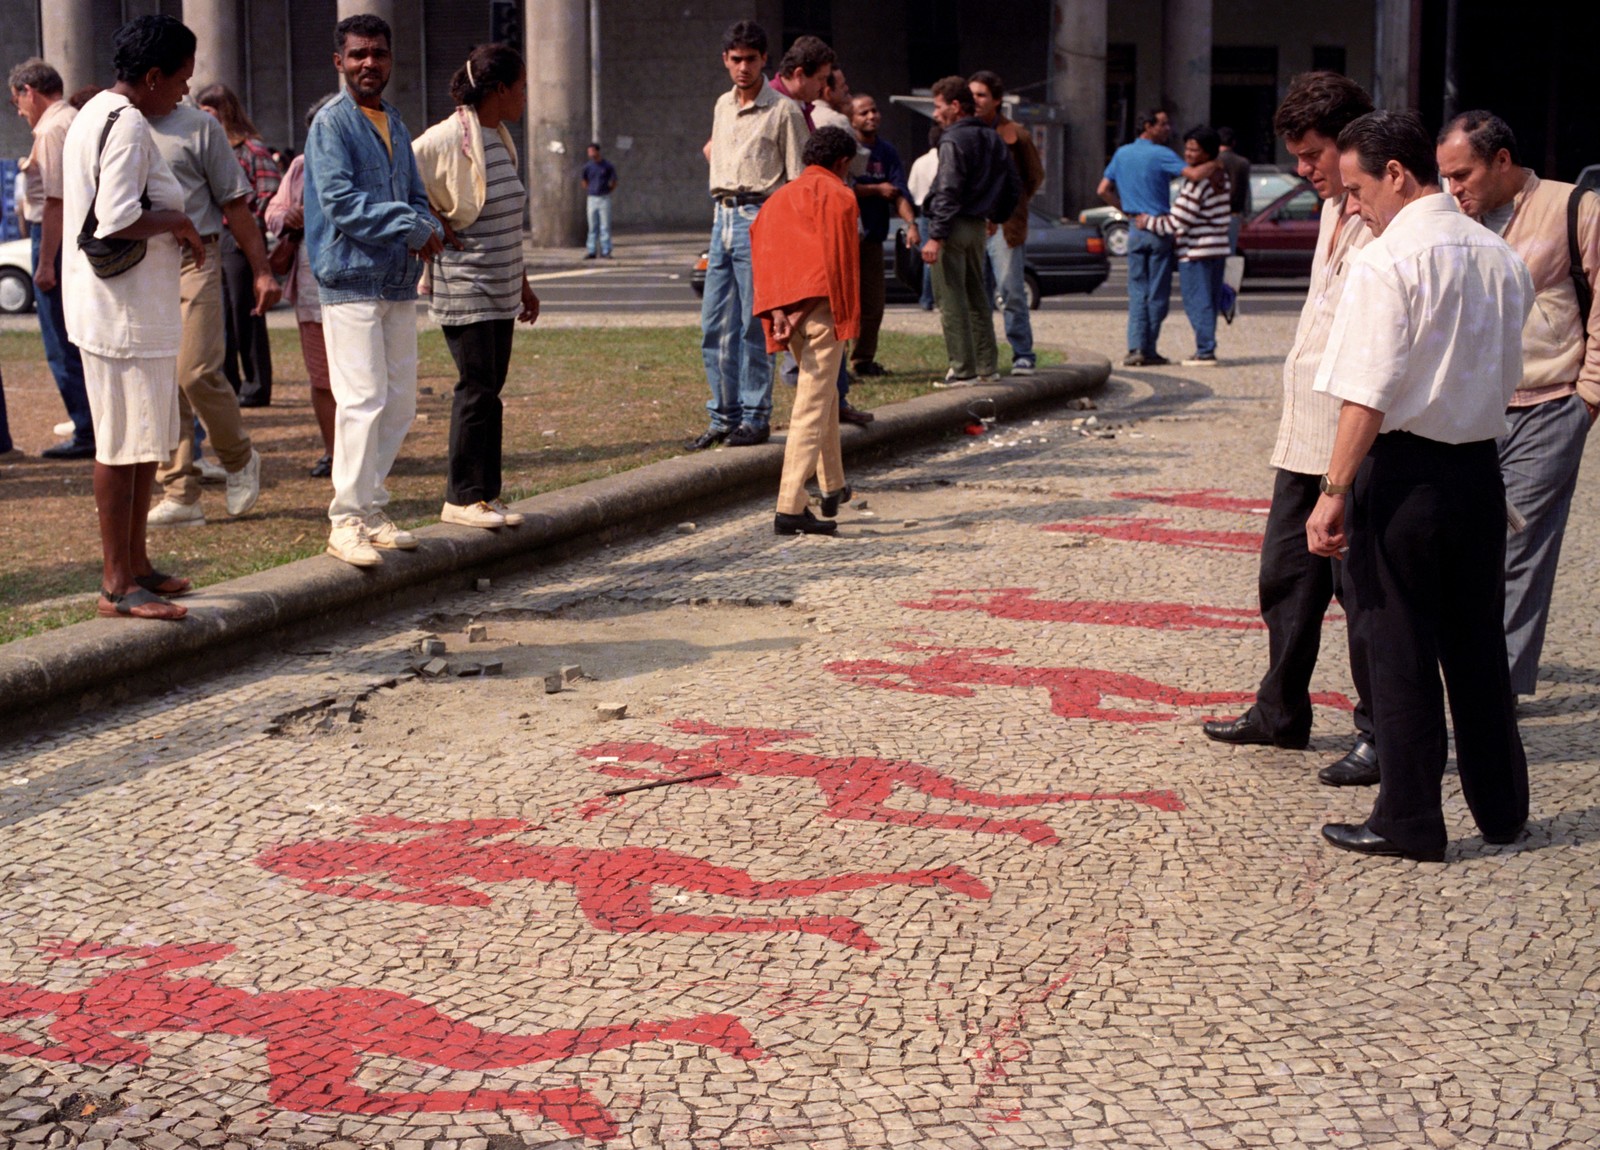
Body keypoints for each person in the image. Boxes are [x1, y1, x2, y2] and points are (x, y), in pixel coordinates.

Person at [1307, 109, 1533, 862]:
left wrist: (1333, 488)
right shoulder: (1499, 255)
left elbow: (1365, 394)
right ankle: (1501, 810)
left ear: (1397, 174)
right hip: (1477, 469)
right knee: (1476, 648)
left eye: (1357, 190)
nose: (1352, 208)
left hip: (1405, 473)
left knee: (1396, 643)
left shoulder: (1388, 260)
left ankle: (1407, 820)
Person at [1202, 73, 1380, 789]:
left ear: (1351, 142)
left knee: (1363, 592)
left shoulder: (1382, 214)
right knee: (1286, 578)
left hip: (1353, 435)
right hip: (1304, 431)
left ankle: (1379, 732)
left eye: (1312, 155)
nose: (1302, 171)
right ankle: (1280, 710)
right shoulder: (1337, 207)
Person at [1436, 111, 1600, 699]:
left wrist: (1588, 397)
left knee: (1519, 545)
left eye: (1463, 174)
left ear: (1502, 161)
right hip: (1469, 409)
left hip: (1550, 404)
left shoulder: (1572, 206)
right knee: (1460, 541)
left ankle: (1494, 694)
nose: (1454, 187)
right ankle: (1469, 666)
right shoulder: (1453, 218)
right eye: (1446, 176)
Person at [61, 14, 207, 619]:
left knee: (143, 440)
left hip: (126, 311)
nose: (184, 92)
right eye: (180, 80)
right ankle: (117, 584)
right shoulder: (125, 126)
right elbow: (117, 217)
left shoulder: (95, 114)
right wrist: (177, 222)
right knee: (122, 445)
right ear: (151, 76)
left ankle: (138, 564)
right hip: (121, 315)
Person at [304, 12, 444, 567]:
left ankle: (370, 505)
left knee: (400, 403)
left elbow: (412, 191)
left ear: (390, 60)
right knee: (361, 401)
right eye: (358, 54)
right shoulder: (331, 124)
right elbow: (339, 202)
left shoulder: (395, 120)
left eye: (378, 54)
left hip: (395, 278)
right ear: (339, 61)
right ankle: (345, 520)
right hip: (350, 279)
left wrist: (425, 221)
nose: (369, 63)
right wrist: (412, 227)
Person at [414, 43, 541, 531]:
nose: (526, 97)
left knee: (492, 390)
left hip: (502, 286)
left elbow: (507, 222)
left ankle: (486, 495)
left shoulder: (498, 137)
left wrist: (524, 285)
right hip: (465, 287)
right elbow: (405, 181)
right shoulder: (446, 137)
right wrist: (430, 224)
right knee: (476, 388)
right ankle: (461, 496)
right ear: (500, 89)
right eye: (522, 87)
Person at [142, 84, 277, 527]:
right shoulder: (121, 122)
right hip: (139, 261)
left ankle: (239, 459)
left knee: (195, 370)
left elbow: (235, 204)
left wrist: (261, 270)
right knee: (163, 377)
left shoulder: (200, 126)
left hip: (195, 255)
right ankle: (181, 492)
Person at [686, 21, 807, 453]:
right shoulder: (722, 104)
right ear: (725, 60)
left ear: (763, 60)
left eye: (750, 59)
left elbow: (798, 181)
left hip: (762, 215)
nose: (742, 67)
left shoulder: (784, 110)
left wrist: (790, 239)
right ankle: (723, 415)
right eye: (735, 59)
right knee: (714, 324)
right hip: (721, 215)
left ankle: (755, 416)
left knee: (756, 325)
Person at [752, 126, 860, 538]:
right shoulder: (839, 195)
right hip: (822, 310)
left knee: (823, 393)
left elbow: (764, 256)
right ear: (843, 163)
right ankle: (790, 505)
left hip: (785, 312)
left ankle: (832, 485)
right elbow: (838, 261)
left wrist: (779, 312)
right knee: (811, 405)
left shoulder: (778, 198)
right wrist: (844, 317)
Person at [9, 58, 95, 458]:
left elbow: (56, 201)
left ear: (30, 91)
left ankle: (87, 428)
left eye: (18, 101)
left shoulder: (52, 128)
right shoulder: (72, 120)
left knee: (61, 342)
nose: (19, 111)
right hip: (67, 236)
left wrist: (45, 262)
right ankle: (90, 423)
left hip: (55, 238)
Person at [921, 76, 1019, 388]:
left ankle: (962, 369)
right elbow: (1012, 185)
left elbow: (948, 189)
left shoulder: (952, 141)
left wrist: (936, 235)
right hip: (979, 226)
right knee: (979, 297)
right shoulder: (993, 138)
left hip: (952, 226)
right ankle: (987, 366)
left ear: (954, 106)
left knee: (951, 299)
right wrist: (996, 216)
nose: (936, 114)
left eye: (938, 107)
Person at [265, 95, 338, 478]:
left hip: (361, 286)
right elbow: (272, 211)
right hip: (312, 287)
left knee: (364, 379)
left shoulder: (366, 161)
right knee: (323, 377)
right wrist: (287, 216)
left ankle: (366, 454)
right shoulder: (300, 168)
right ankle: (334, 452)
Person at [194, 84, 278, 409]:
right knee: (222, 314)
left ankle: (257, 386)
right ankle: (230, 382)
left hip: (240, 235)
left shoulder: (250, 149)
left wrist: (248, 218)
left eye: (209, 112)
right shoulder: (210, 149)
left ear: (223, 112)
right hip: (217, 234)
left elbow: (269, 189)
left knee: (247, 312)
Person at [1137, 126, 1231, 367]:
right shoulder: (1220, 176)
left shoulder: (1197, 183)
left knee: (1197, 301)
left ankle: (1205, 350)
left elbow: (1178, 221)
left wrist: (1148, 221)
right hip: (1217, 247)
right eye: (1187, 148)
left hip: (1196, 250)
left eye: (1194, 150)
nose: (1188, 154)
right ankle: (1206, 347)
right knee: (1209, 298)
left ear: (1207, 152)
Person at [969, 70, 1044, 376]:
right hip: (974, 222)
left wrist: (1013, 206)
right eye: (971, 94)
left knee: (1011, 290)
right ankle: (983, 357)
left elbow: (1034, 176)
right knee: (977, 294)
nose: (975, 100)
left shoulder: (1017, 135)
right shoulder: (966, 131)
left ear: (997, 100)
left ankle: (1022, 352)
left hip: (1005, 224)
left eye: (982, 95)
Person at [847, 92, 917, 390]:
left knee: (873, 303)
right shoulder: (847, 149)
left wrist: (911, 224)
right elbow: (842, 187)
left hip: (873, 239)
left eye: (874, 110)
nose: (871, 116)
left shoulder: (887, 152)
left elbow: (898, 192)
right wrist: (876, 189)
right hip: (845, 238)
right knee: (845, 304)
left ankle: (863, 360)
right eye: (863, 112)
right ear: (851, 119)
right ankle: (840, 363)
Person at [767, 35, 833, 134]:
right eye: (821, 78)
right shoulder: (769, 106)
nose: (824, 85)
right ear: (799, 75)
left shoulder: (802, 102)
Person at [907, 125, 941, 311]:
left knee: (928, 258)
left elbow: (911, 188)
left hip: (923, 213)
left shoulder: (920, 162)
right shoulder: (944, 159)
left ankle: (926, 299)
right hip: (941, 212)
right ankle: (938, 297)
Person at [578, 142, 617, 259]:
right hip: (592, 198)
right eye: (589, 151)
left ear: (597, 151)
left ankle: (606, 250)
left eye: (592, 151)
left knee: (604, 226)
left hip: (604, 198)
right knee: (592, 226)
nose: (590, 154)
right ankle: (591, 250)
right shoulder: (587, 167)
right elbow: (584, 181)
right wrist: (590, 190)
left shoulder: (607, 166)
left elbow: (614, 181)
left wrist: (609, 190)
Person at [1217, 126, 1252, 248]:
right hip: (1234, 213)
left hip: (1215, 213)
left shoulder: (1214, 161)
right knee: (1229, 252)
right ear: (1233, 143)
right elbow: (1247, 192)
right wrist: (1247, 215)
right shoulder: (1243, 162)